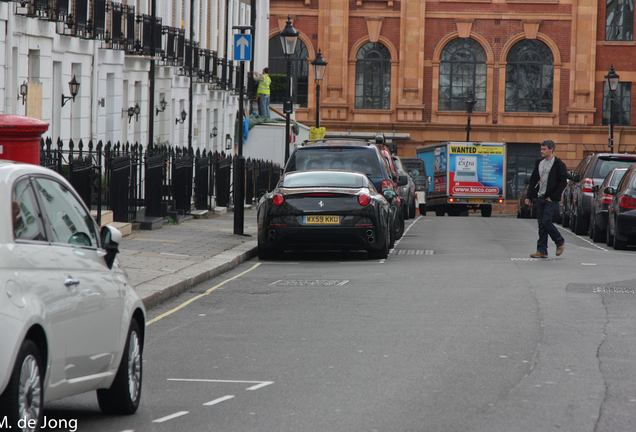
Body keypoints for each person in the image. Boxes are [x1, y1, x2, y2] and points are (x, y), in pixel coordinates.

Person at [525, 139, 568, 258]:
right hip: (540, 197)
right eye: (541, 149)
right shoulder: (539, 163)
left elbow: (563, 182)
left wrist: (553, 197)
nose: (541, 151)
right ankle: (542, 250)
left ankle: (559, 241)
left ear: (551, 149)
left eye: (544, 149)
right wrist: (529, 196)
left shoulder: (559, 164)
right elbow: (534, 180)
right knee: (541, 225)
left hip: (551, 199)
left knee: (546, 221)